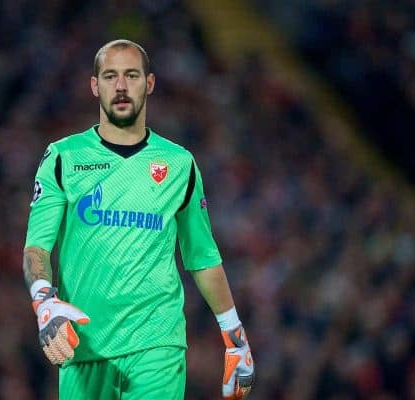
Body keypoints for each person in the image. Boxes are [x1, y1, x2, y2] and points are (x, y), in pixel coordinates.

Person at [23, 39, 255, 399]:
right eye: (110, 76)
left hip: (158, 344)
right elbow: (36, 248)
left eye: (131, 75)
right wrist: (43, 300)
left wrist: (235, 337)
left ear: (149, 83)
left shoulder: (180, 164)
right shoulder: (62, 158)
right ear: (93, 85)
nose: (120, 86)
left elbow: (203, 258)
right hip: (84, 345)